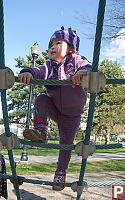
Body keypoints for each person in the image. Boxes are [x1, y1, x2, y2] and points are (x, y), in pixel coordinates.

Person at [18, 26, 92, 191]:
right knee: (41, 98)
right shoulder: (48, 66)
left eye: (58, 42)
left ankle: (60, 172)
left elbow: (87, 66)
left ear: (71, 48)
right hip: (55, 108)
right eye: (51, 44)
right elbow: (38, 71)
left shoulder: (76, 60)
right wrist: (28, 72)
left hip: (71, 116)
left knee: (65, 145)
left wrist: (83, 74)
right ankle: (41, 132)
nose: (52, 47)